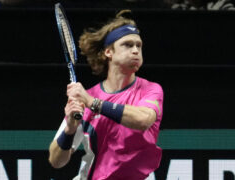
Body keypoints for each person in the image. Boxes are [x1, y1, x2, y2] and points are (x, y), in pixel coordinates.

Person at [49, 10, 164, 180]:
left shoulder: (150, 90)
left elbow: (143, 120)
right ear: (108, 52)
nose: (135, 50)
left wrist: (92, 103)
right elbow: (56, 161)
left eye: (138, 46)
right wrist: (70, 129)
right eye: (127, 45)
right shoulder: (86, 98)